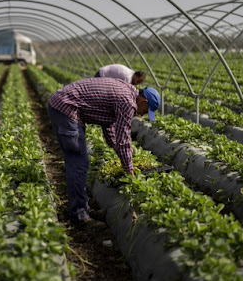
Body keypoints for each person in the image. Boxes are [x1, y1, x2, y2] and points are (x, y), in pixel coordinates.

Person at [47, 77, 160, 226]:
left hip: (62, 105)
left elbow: (107, 120)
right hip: (66, 108)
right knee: (78, 163)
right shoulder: (128, 102)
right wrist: (129, 170)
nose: (142, 115)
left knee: (78, 162)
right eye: (145, 111)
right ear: (143, 102)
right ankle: (80, 217)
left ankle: (82, 209)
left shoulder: (126, 91)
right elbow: (124, 139)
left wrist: (113, 143)